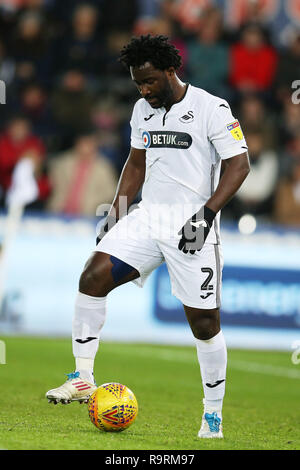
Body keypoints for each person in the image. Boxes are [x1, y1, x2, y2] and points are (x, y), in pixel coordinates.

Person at [46, 35, 250, 439]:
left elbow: (240, 166)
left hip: (192, 223)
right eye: (138, 83)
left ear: (171, 71)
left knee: (205, 324)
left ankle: (213, 416)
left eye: (151, 81)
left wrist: (207, 216)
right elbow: (135, 164)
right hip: (148, 217)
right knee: (93, 275)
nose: (144, 90)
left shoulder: (212, 108)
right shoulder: (143, 109)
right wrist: (118, 211)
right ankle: (83, 377)